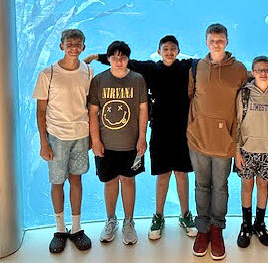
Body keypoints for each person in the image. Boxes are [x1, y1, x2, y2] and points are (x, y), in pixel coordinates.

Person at [84, 35, 197, 240]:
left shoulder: (185, 66)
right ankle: (158, 216)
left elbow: (207, 62)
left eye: (173, 49)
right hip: (160, 130)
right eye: (165, 49)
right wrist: (95, 56)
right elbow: (125, 60)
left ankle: (185, 214)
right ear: (159, 51)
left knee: (182, 174)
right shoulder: (152, 69)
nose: (169, 52)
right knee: (162, 175)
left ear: (179, 51)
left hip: (183, 130)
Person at [187, 23, 247, 260]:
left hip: (224, 141)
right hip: (198, 137)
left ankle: (217, 230)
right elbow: (191, 96)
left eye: (220, 40)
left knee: (220, 188)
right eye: (212, 40)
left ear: (227, 41)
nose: (216, 44)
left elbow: (245, 104)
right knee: (201, 186)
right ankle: (202, 230)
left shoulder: (240, 70)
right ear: (206, 42)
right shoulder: (196, 67)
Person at [32, 28, 93, 253]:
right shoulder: (47, 73)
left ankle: (76, 229)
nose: (74, 47)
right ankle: (59, 229)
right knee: (57, 182)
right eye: (70, 43)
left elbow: (89, 105)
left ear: (83, 47)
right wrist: (43, 142)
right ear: (61, 45)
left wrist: (91, 138)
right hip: (56, 136)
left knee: (76, 181)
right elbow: (40, 111)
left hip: (80, 134)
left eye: (78, 44)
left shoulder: (88, 72)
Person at [88, 41, 148, 245]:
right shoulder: (98, 80)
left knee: (128, 180)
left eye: (123, 57)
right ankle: (110, 220)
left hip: (131, 143)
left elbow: (142, 110)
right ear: (109, 59)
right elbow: (93, 112)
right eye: (115, 57)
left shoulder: (138, 79)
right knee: (110, 181)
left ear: (128, 58)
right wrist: (95, 140)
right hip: (106, 143)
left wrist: (142, 137)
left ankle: (129, 222)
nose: (119, 61)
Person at [235, 56, 268, 248]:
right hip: (246, 150)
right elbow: (237, 125)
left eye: (266, 70)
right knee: (247, 187)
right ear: (252, 72)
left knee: (263, 187)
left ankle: (260, 224)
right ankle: (246, 224)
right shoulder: (244, 95)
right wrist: (236, 152)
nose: (263, 73)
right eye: (259, 70)